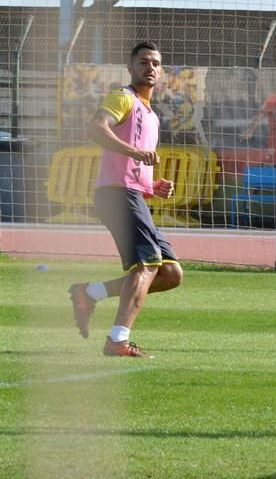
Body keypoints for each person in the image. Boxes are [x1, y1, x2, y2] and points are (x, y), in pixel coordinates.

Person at [68, 41, 183, 358]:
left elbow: (134, 166)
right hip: (117, 194)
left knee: (170, 274)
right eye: (144, 61)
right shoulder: (123, 98)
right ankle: (118, 340)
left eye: (156, 63)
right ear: (131, 67)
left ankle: (90, 292)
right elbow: (96, 128)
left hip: (133, 194)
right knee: (146, 264)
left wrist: (152, 185)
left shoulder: (152, 116)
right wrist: (135, 153)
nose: (151, 67)